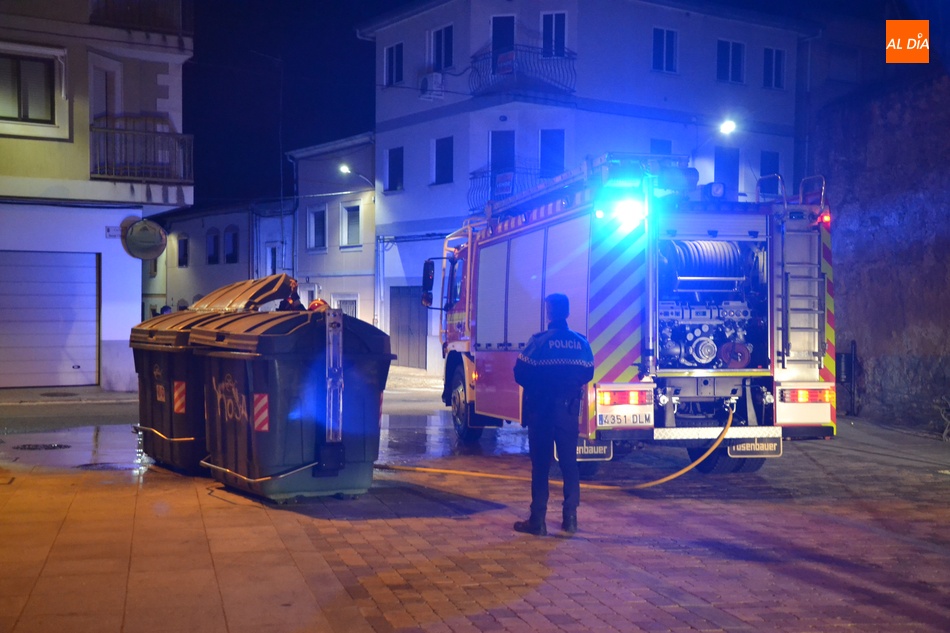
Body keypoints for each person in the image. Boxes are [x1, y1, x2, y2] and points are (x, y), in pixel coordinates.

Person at [513, 293, 594, 536]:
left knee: (541, 466)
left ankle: (538, 521)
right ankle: (570, 519)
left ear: (548, 313)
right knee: (569, 464)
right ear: (567, 312)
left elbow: (519, 373)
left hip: (542, 411)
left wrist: (540, 386)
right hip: (568, 411)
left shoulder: (538, 342)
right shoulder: (581, 343)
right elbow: (588, 373)